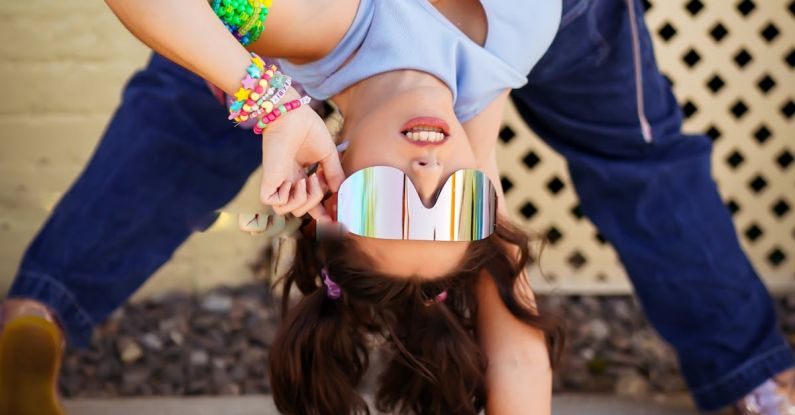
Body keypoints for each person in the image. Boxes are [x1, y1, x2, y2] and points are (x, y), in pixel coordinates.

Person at [0, 0, 792, 413]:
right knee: (638, 160)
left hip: (301, 64)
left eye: (388, 204)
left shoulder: (308, 24)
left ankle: (39, 311)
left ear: (330, 198)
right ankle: (762, 383)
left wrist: (267, 101)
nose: (428, 171)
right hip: (567, 20)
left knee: (201, 80)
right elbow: (515, 338)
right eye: (454, 204)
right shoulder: (479, 96)